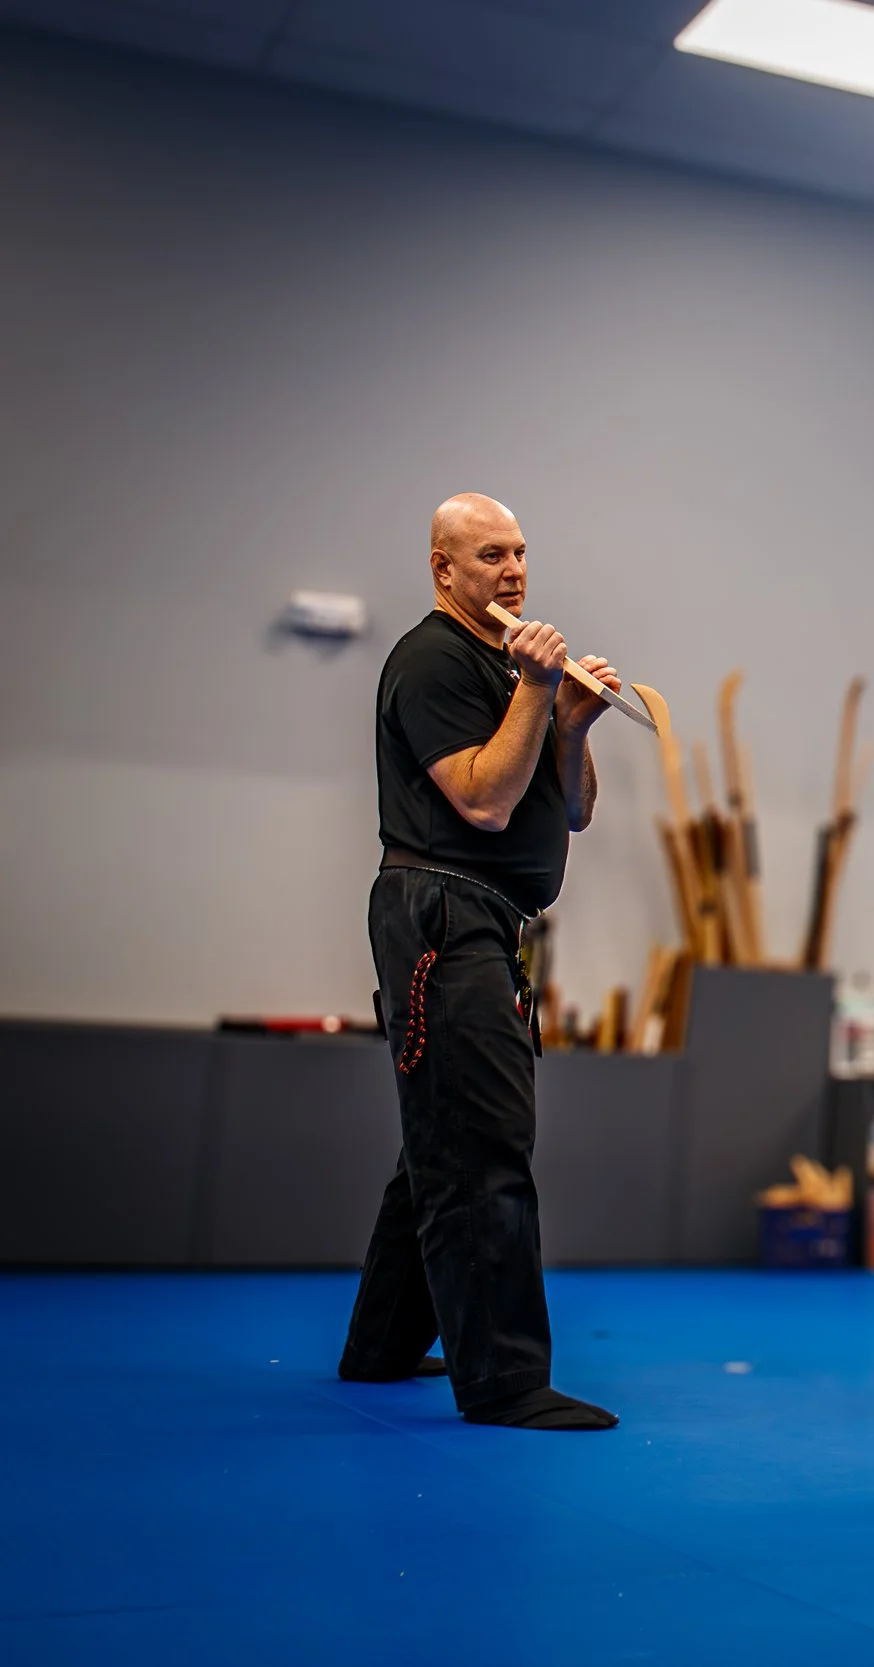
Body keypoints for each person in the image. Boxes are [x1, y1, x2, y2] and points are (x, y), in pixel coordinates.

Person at [336, 493, 622, 1431]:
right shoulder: (433, 659)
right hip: (440, 911)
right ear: (443, 568)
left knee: (443, 1133)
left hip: (487, 919)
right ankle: (504, 1379)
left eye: (521, 552)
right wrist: (536, 689)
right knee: (483, 1141)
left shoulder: (509, 666)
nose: (514, 570)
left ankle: (380, 1347)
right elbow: (484, 802)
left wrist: (571, 721)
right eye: (491, 553)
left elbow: (571, 809)